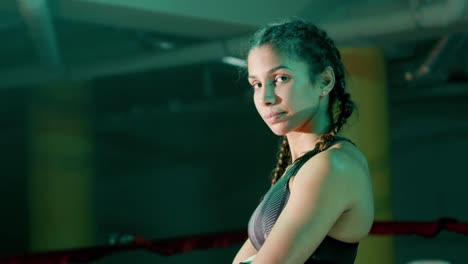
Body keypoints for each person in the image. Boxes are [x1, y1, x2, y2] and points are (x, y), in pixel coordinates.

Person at [232, 17, 374, 264]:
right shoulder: (301, 168)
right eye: (256, 83)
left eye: (280, 79)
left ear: (324, 81)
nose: (265, 97)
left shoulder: (333, 165)